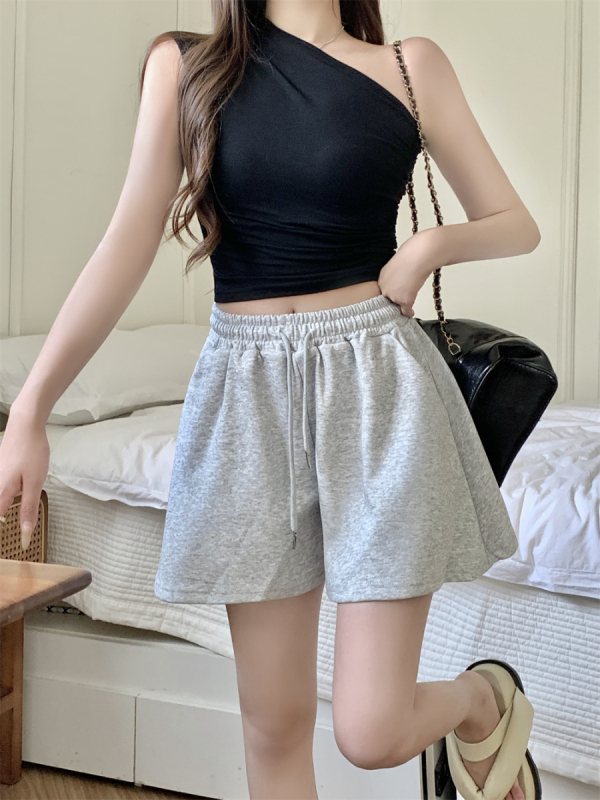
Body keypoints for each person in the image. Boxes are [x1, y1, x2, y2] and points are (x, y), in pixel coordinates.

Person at [0, 1, 542, 798]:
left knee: (371, 730)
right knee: (273, 723)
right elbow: (127, 241)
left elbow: (515, 223)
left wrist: (429, 246)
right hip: (245, 395)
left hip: (381, 390)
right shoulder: (187, 67)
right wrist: (30, 409)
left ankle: (481, 698)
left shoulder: (408, 66)